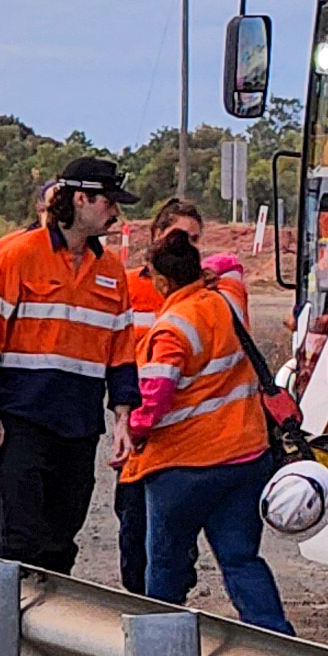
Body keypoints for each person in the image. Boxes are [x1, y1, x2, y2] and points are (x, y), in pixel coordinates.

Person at [0, 155, 135, 571]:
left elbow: (122, 352)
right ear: (80, 199)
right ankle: (8, 628)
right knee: (21, 541)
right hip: (24, 418)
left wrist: (123, 420)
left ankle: (48, 628)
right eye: (108, 202)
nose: (115, 211)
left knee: (61, 540)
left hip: (78, 424)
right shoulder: (18, 255)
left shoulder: (112, 270)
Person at [124, 227, 293, 632]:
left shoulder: (170, 330)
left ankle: (159, 650)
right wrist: (210, 272)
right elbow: (232, 264)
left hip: (181, 467)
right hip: (245, 458)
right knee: (241, 559)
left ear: (163, 282)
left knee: (164, 568)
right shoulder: (228, 300)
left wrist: (129, 430)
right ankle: (280, 646)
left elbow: (153, 402)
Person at [113, 197, 208, 594]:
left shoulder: (206, 297)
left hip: (186, 433)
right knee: (133, 520)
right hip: (141, 425)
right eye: (178, 235)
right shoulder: (128, 286)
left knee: (178, 529)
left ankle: (174, 599)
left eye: (194, 238)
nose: (186, 243)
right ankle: (138, 601)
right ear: (155, 237)